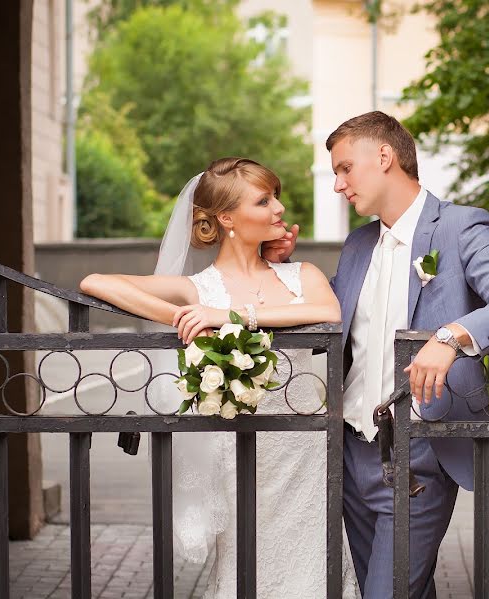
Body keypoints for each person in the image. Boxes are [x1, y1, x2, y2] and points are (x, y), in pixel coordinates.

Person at [264, 112, 489, 598]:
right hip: (351, 450)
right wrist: (279, 266)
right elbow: (325, 322)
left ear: (384, 156)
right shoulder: (356, 245)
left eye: (344, 168)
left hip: (420, 450)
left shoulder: (460, 227)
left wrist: (450, 337)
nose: (337, 184)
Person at [80, 157, 359, 598]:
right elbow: (96, 280)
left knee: (314, 560)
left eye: (276, 197)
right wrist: (183, 316)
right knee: (244, 559)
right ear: (226, 217)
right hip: (237, 446)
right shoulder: (197, 287)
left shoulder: (303, 275)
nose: (279, 209)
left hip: (304, 449)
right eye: (264, 200)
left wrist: (231, 316)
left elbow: (329, 315)